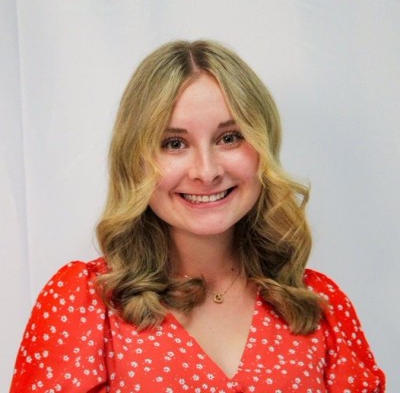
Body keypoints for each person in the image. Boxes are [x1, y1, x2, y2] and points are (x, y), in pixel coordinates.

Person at [10, 40, 385, 392]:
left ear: (262, 149)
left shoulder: (320, 306)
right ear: (135, 161)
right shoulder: (85, 303)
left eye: (229, 137)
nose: (206, 171)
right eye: (174, 143)